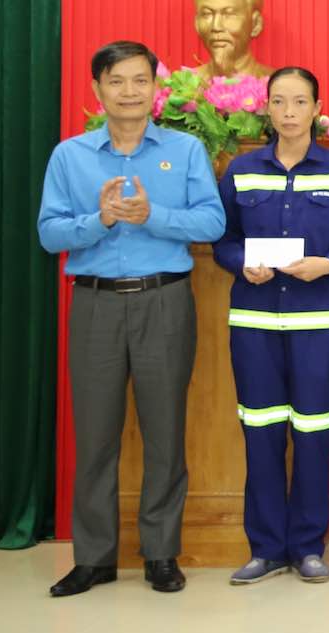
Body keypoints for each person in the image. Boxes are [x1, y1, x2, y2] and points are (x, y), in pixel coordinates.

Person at [38, 40, 225, 597]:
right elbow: (49, 233)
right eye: (116, 81)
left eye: (139, 80)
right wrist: (97, 221)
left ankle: (161, 554)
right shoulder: (70, 156)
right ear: (97, 89)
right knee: (95, 434)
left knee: (165, 430)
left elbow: (212, 222)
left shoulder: (185, 151)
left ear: (155, 88)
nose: (128, 92)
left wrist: (153, 216)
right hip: (94, 303)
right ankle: (93, 559)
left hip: (163, 301)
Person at [215, 66, 329, 585]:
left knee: (314, 431)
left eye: (300, 102)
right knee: (260, 430)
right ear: (266, 108)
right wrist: (241, 264)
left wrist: (327, 264)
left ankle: (308, 546)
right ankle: (265, 549)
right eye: (279, 101)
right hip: (254, 321)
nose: (289, 112)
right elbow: (223, 239)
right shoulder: (241, 169)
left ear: (317, 109)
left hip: (316, 320)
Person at [192, 0, 272, 79]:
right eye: (207, 14)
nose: (216, 26)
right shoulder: (180, 86)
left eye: (228, 14)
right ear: (196, 24)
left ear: (255, 24)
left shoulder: (275, 84)